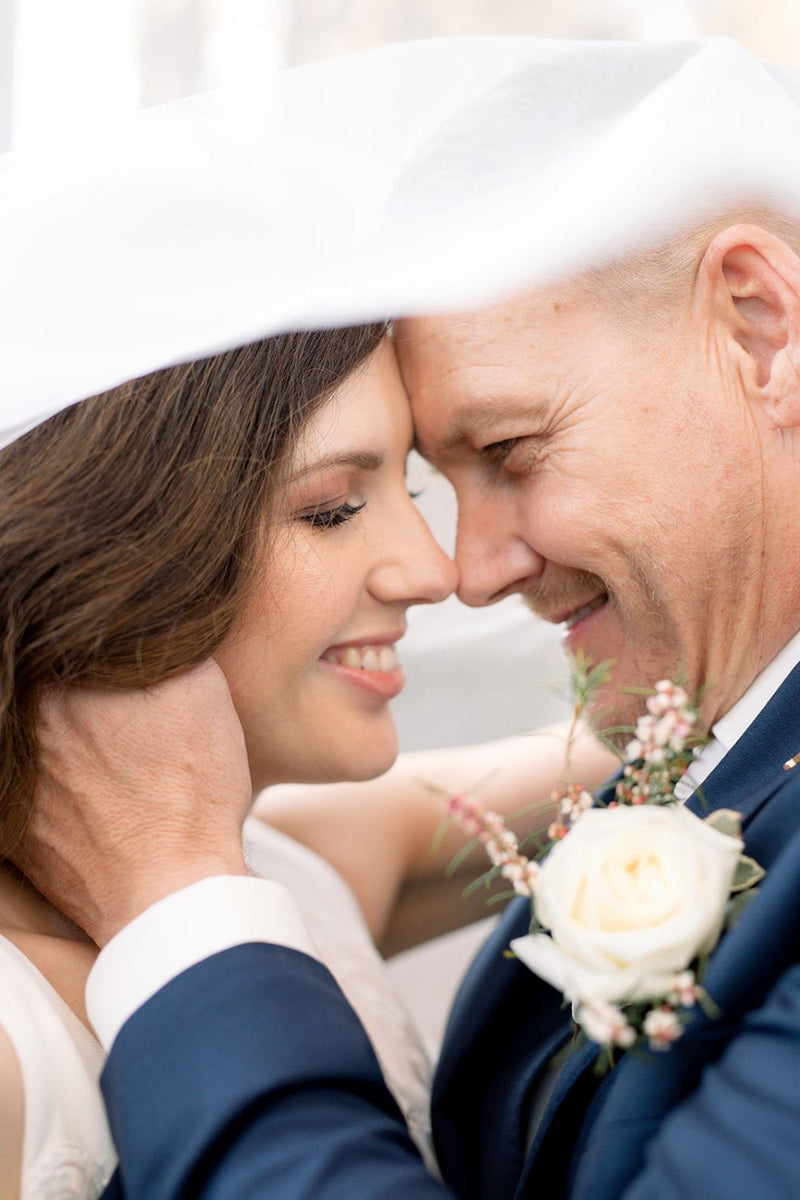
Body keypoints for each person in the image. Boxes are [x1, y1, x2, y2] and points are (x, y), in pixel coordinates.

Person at [9, 32, 800, 1200]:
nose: (455, 572)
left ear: (755, 324)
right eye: (335, 507)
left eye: (513, 450)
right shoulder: (292, 857)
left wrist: (171, 892)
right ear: (124, 548)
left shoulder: (239, 877)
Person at [0, 317, 614, 1197]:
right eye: (332, 507)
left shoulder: (296, 860)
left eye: (408, 485)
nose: (436, 570)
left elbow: (629, 758)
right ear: (107, 548)